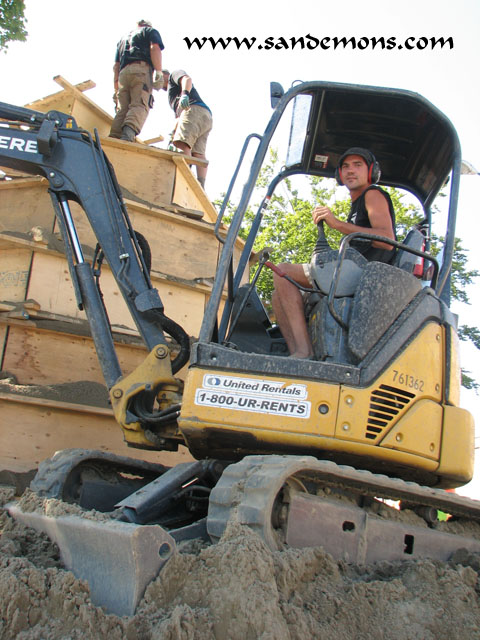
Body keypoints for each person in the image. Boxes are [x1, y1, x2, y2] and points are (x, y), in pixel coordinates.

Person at [271, 147, 396, 359]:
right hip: (350, 272)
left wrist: (336, 224)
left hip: (363, 275)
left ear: (371, 171)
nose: (350, 171)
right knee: (278, 295)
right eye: (345, 166)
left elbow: (387, 240)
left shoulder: (372, 194)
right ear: (339, 174)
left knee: (283, 272)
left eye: (358, 165)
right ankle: (297, 355)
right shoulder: (356, 205)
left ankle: (303, 351)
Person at [109, 20, 165, 141]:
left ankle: (114, 137)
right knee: (140, 103)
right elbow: (154, 48)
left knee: (123, 109)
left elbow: (116, 66)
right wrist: (159, 72)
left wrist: (116, 89)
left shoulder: (122, 40)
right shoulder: (149, 31)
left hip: (123, 74)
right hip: (140, 69)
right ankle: (127, 136)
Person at [161, 69, 212, 188]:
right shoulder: (172, 93)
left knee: (182, 144)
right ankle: (201, 186)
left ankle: (185, 178)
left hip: (192, 109)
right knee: (198, 154)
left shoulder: (173, 76)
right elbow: (180, 118)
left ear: (165, 74)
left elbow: (187, 79)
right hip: (205, 116)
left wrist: (185, 95)